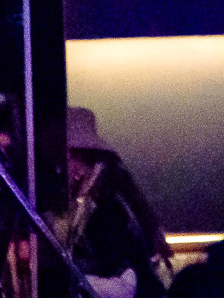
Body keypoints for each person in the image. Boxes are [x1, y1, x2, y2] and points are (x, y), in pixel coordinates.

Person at [57, 108, 172, 298]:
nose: (58, 167)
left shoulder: (107, 209)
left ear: (75, 157)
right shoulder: (106, 197)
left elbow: (125, 285)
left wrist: (73, 283)